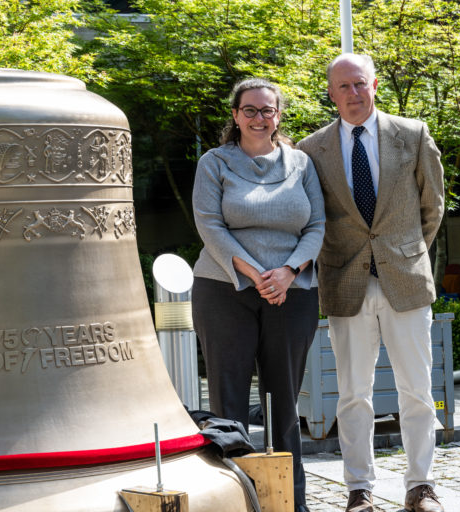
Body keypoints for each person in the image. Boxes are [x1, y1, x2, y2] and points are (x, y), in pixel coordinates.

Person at [297, 54, 445, 512]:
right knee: (352, 395)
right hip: (346, 282)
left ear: (374, 84)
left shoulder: (412, 134)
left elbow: (433, 205)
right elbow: (312, 216)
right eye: (343, 86)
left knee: (417, 390)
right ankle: (359, 489)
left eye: (360, 83)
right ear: (331, 93)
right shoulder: (311, 149)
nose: (353, 93)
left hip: (405, 279)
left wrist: (404, 252)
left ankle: (421, 486)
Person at [191, 78, 325, 512]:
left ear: (278, 115)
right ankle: (235, 503)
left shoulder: (301, 164)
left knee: (284, 404)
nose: (258, 118)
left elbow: (317, 226)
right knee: (228, 405)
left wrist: (287, 272)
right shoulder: (214, 162)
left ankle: (291, 503)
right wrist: (256, 275)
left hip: (292, 291)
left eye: (267, 110)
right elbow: (209, 225)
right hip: (224, 289)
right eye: (249, 110)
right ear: (235, 115)